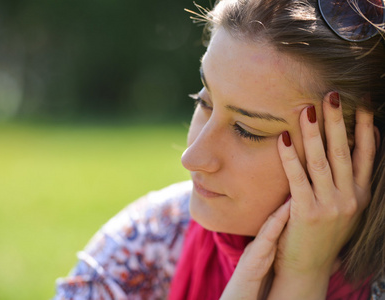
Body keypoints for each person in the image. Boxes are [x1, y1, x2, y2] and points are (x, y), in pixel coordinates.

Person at [53, 0, 385, 299]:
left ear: (353, 151)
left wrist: (302, 274)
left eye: (248, 130)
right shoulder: (151, 240)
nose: (191, 158)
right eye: (204, 101)